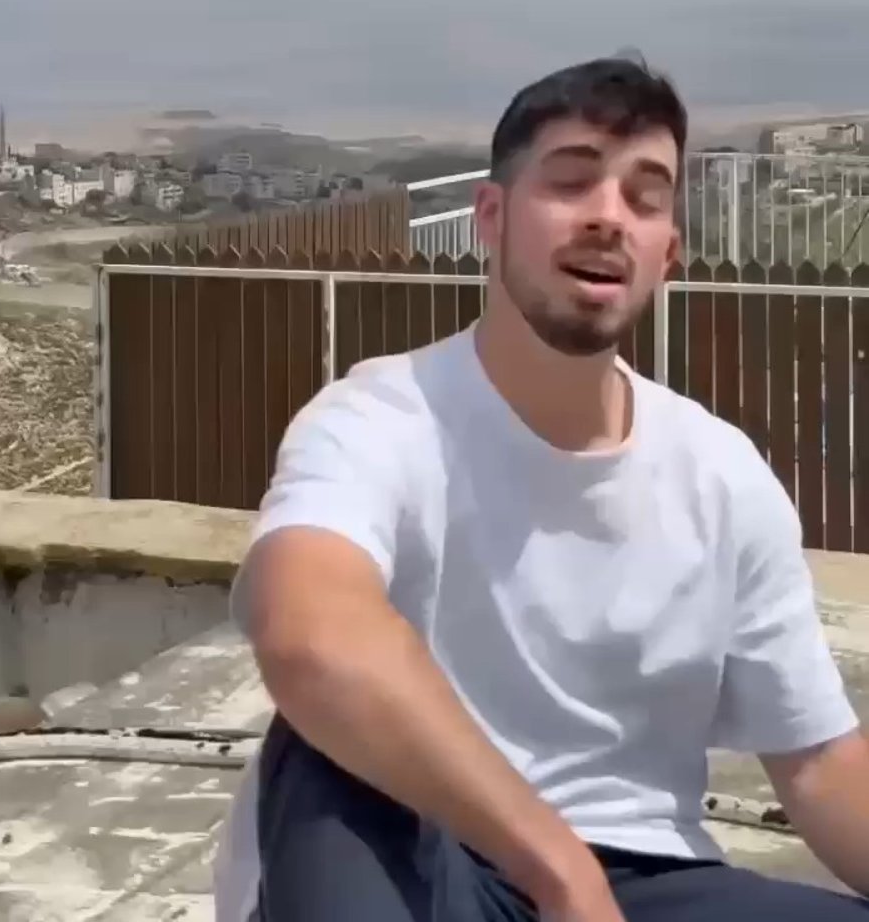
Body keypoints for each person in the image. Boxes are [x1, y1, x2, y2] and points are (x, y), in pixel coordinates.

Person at [215, 56, 869, 921]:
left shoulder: (723, 475)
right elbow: (310, 636)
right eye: (570, 182)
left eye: (644, 197)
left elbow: (818, 762)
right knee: (326, 742)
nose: (608, 216)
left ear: (668, 255)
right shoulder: (376, 420)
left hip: (646, 878)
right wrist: (559, 870)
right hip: (419, 858)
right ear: (490, 217)